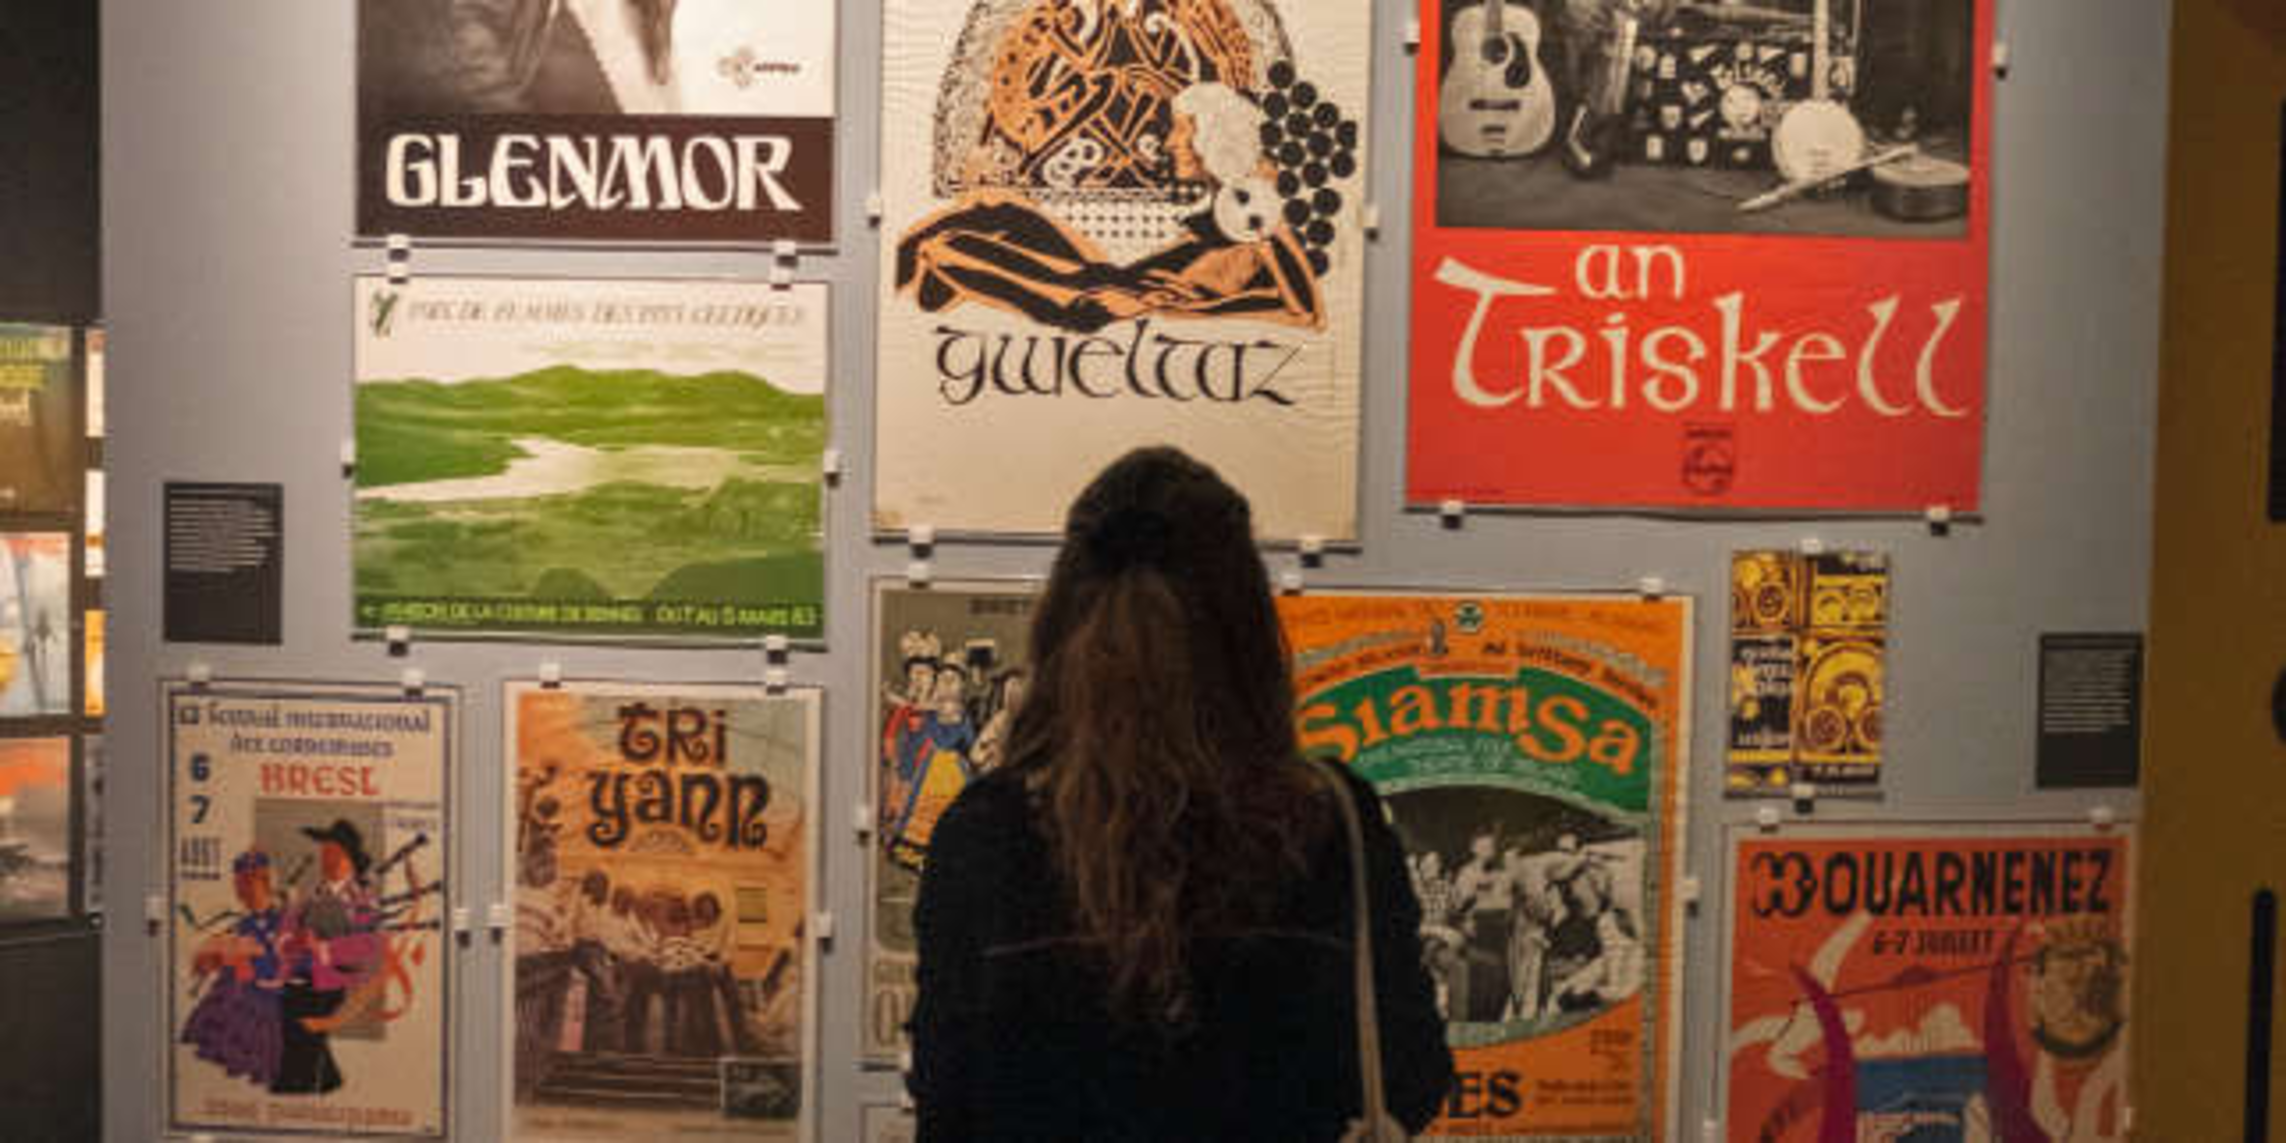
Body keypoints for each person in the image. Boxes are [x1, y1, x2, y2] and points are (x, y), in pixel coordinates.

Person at [909, 447, 1453, 1141]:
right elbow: (1410, 1075)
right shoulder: (1332, 822)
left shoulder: (987, 831)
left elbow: (946, 1102)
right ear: (1247, 630)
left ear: (1061, 619)